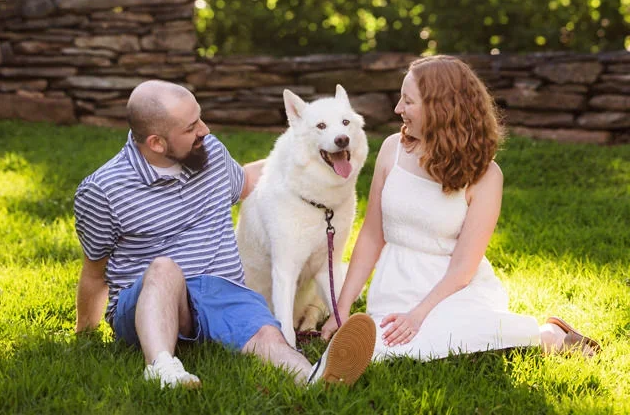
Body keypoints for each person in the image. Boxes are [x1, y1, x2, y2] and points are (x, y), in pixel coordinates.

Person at [74, 79, 375, 389]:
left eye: (199, 118)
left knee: (268, 334)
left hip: (221, 294)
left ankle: (313, 378)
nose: (204, 129)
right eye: (191, 127)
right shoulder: (102, 191)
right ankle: (162, 368)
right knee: (164, 268)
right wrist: (85, 334)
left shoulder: (210, 152)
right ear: (157, 143)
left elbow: (245, 181)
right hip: (147, 302)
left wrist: (303, 157)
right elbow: (95, 273)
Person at [321, 55, 601, 360]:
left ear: (439, 108)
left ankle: (551, 336)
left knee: (450, 343)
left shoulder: (486, 176)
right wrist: (341, 309)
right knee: (386, 351)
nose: (397, 109)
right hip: (397, 285)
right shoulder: (392, 150)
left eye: (407, 101)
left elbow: (463, 268)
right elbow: (372, 236)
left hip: (452, 289)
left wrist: (418, 316)